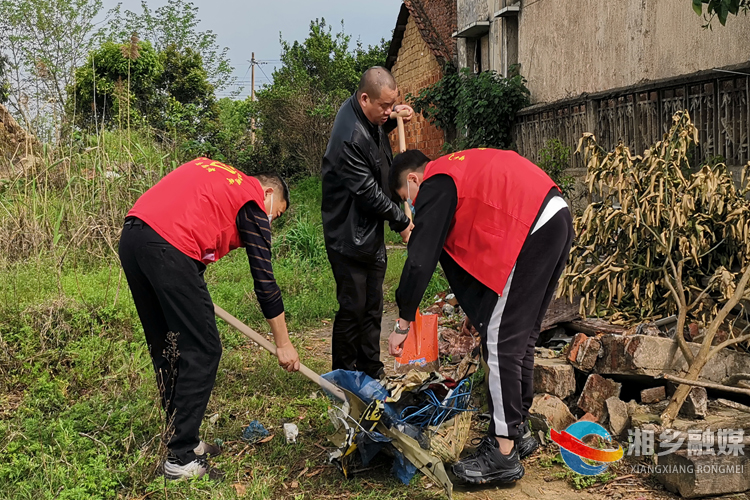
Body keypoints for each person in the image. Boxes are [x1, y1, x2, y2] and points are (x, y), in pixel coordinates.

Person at [387, 149, 573, 485]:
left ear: (413, 179)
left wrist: (402, 322)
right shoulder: (459, 173)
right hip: (553, 216)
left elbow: (420, 258)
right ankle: (517, 432)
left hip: (531, 225)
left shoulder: (436, 182)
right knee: (520, 339)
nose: (411, 206)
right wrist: (477, 312)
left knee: (501, 345)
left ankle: (502, 453)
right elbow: (478, 244)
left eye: (406, 197)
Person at [118, 157, 300, 480]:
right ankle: (181, 458)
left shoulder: (219, 175)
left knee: (169, 346)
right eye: (277, 213)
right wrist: (283, 344)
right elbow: (265, 282)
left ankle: (180, 439)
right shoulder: (252, 199)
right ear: (269, 193)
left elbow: (188, 214)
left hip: (133, 237)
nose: (271, 221)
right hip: (168, 245)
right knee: (203, 349)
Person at [321, 66, 415, 379]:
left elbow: (376, 132)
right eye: (384, 106)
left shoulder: (367, 116)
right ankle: (344, 376)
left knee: (373, 305)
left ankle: (371, 369)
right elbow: (368, 193)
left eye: (393, 104)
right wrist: (402, 221)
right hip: (347, 234)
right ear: (364, 99)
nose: (388, 111)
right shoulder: (348, 137)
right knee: (353, 307)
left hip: (369, 231)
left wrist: (394, 117)